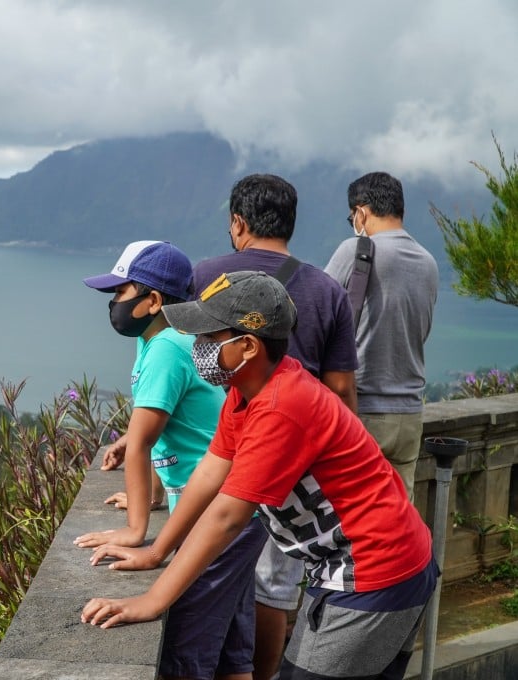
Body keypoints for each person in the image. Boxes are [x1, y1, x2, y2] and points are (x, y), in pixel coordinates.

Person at [81, 271, 436, 680]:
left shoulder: (281, 406)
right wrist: (156, 552)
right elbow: (211, 473)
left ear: (247, 345)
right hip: (374, 566)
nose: (197, 347)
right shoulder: (247, 389)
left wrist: (153, 601)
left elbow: (228, 516)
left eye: (208, 337)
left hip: (374, 573)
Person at [74, 241, 266, 680]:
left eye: (120, 293)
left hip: (214, 516)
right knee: (234, 655)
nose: (113, 304)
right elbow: (169, 434)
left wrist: (136, 531)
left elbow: (143, 443)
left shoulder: (164, 349)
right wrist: (153, 489)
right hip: (232, 510)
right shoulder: (165, 341)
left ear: (153, 301)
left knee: (187, 651)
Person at [195, 173, 359, 680]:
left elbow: (180, 367)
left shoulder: (207, 277)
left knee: (210, 573)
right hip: (297, 474)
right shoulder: (326, 288)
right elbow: (341, 391)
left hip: (217, 452)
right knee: (273, 587)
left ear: (238, 222)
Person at [324, 172, 438, 501]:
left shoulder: (356, 250)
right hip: (410, 414)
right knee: (399, 523)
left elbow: (318, 311)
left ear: (361, 213)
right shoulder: (428, 262)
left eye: (352, 217)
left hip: (362, 410)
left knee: (353, 521)